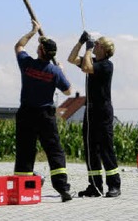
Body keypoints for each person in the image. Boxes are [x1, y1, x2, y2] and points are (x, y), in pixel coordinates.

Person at [14, 20, 73, 202]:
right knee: (54, 151)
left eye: (39, 47)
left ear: (40, 51)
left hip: (26, 113)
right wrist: (61, 71)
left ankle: (23, 188)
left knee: (25, 150)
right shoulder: (54, 72)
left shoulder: (27, 64)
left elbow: (19, 46)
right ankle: (62, 189)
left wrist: (33, 31)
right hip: (46, 115)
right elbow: (68, 91)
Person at [68, 31, 121, 198]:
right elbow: (71, 59)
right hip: (90, 111)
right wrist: (80, 42)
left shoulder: (106, 65)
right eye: (94, 43)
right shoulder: (93, 60)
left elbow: (86, 67)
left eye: (97, 44)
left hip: (103, 111)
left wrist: (88, 50)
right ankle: (95, 186)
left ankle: (114, 185)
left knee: (106, 149)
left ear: (104, 49)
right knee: (91, 150)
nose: (94, 45)